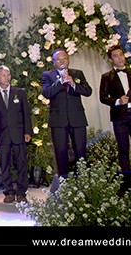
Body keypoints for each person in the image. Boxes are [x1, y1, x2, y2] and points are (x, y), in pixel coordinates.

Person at [41, 48, 92, 179]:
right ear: (53, 62)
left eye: (64, 58)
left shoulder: (77, 73)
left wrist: (74, 84)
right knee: (60, 151)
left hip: (77, 118)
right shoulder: (48, 75)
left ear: (68, 60)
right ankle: (63, 180)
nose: (62, 61)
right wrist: (60, 82)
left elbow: (88, 91)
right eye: (58, 59)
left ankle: (82, 179)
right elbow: (47, 93)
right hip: (58, 119)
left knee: (80, 150)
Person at [99, 44, 131, 177]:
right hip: (120, 117)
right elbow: (103, 97)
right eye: (116, 56)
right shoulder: (107, 77)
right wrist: (118, 101)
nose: (120, 58)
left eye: (121, 55)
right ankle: (128, 181)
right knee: (123, 149)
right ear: (111, 60)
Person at [0, 65, 33, 203]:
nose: (7, 77)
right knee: (5, 164)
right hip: (2, 135)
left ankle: (21, 192)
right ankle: (8, 192)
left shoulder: (19, 92)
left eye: (8, 74)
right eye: (3, 75)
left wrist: (27, 131)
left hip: (19, 133)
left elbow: (26, 113)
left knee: (21, 163)